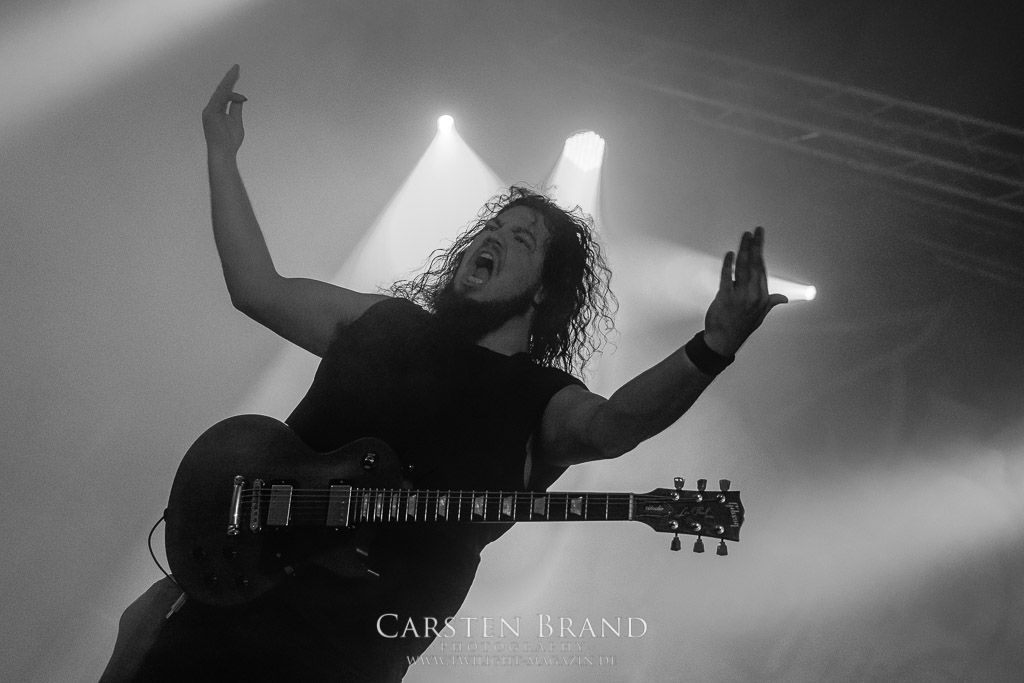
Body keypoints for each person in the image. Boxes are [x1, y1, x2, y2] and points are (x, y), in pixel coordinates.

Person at [102, 65, 787, 681]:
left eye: (521, 239)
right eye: (493, 227)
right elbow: (256, 287)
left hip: (341, 660)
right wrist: (222, 155)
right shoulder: (383, 321)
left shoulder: (538, 400)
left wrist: (711, 348)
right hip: (222, 612)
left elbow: (615, 425)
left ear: (545, 292)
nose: (493, 237)